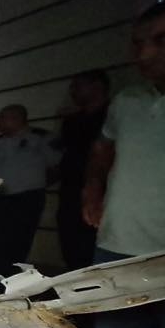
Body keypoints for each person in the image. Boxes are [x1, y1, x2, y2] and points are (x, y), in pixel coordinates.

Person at [82, 0, 165, 328]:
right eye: (139, 42)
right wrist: (92, 190)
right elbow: (102, 152)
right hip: (117, 249)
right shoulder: (127, 101)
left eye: (163, 40)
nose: (145, 53)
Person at [0, 104, 58, 275]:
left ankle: (12, 276)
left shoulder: (40, 138)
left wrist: (35, 185)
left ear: (17, 118)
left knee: (18, 241)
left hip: (25, 198)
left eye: (3, 118)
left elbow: (58, 166)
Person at [57, 69, 110, 271]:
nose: (72, 91)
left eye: (77, 86)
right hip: (70, 190)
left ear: (97, 86)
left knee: (95, 246)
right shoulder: (72, 121)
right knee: (71, 245)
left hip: (103, 191)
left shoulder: (111, 116)